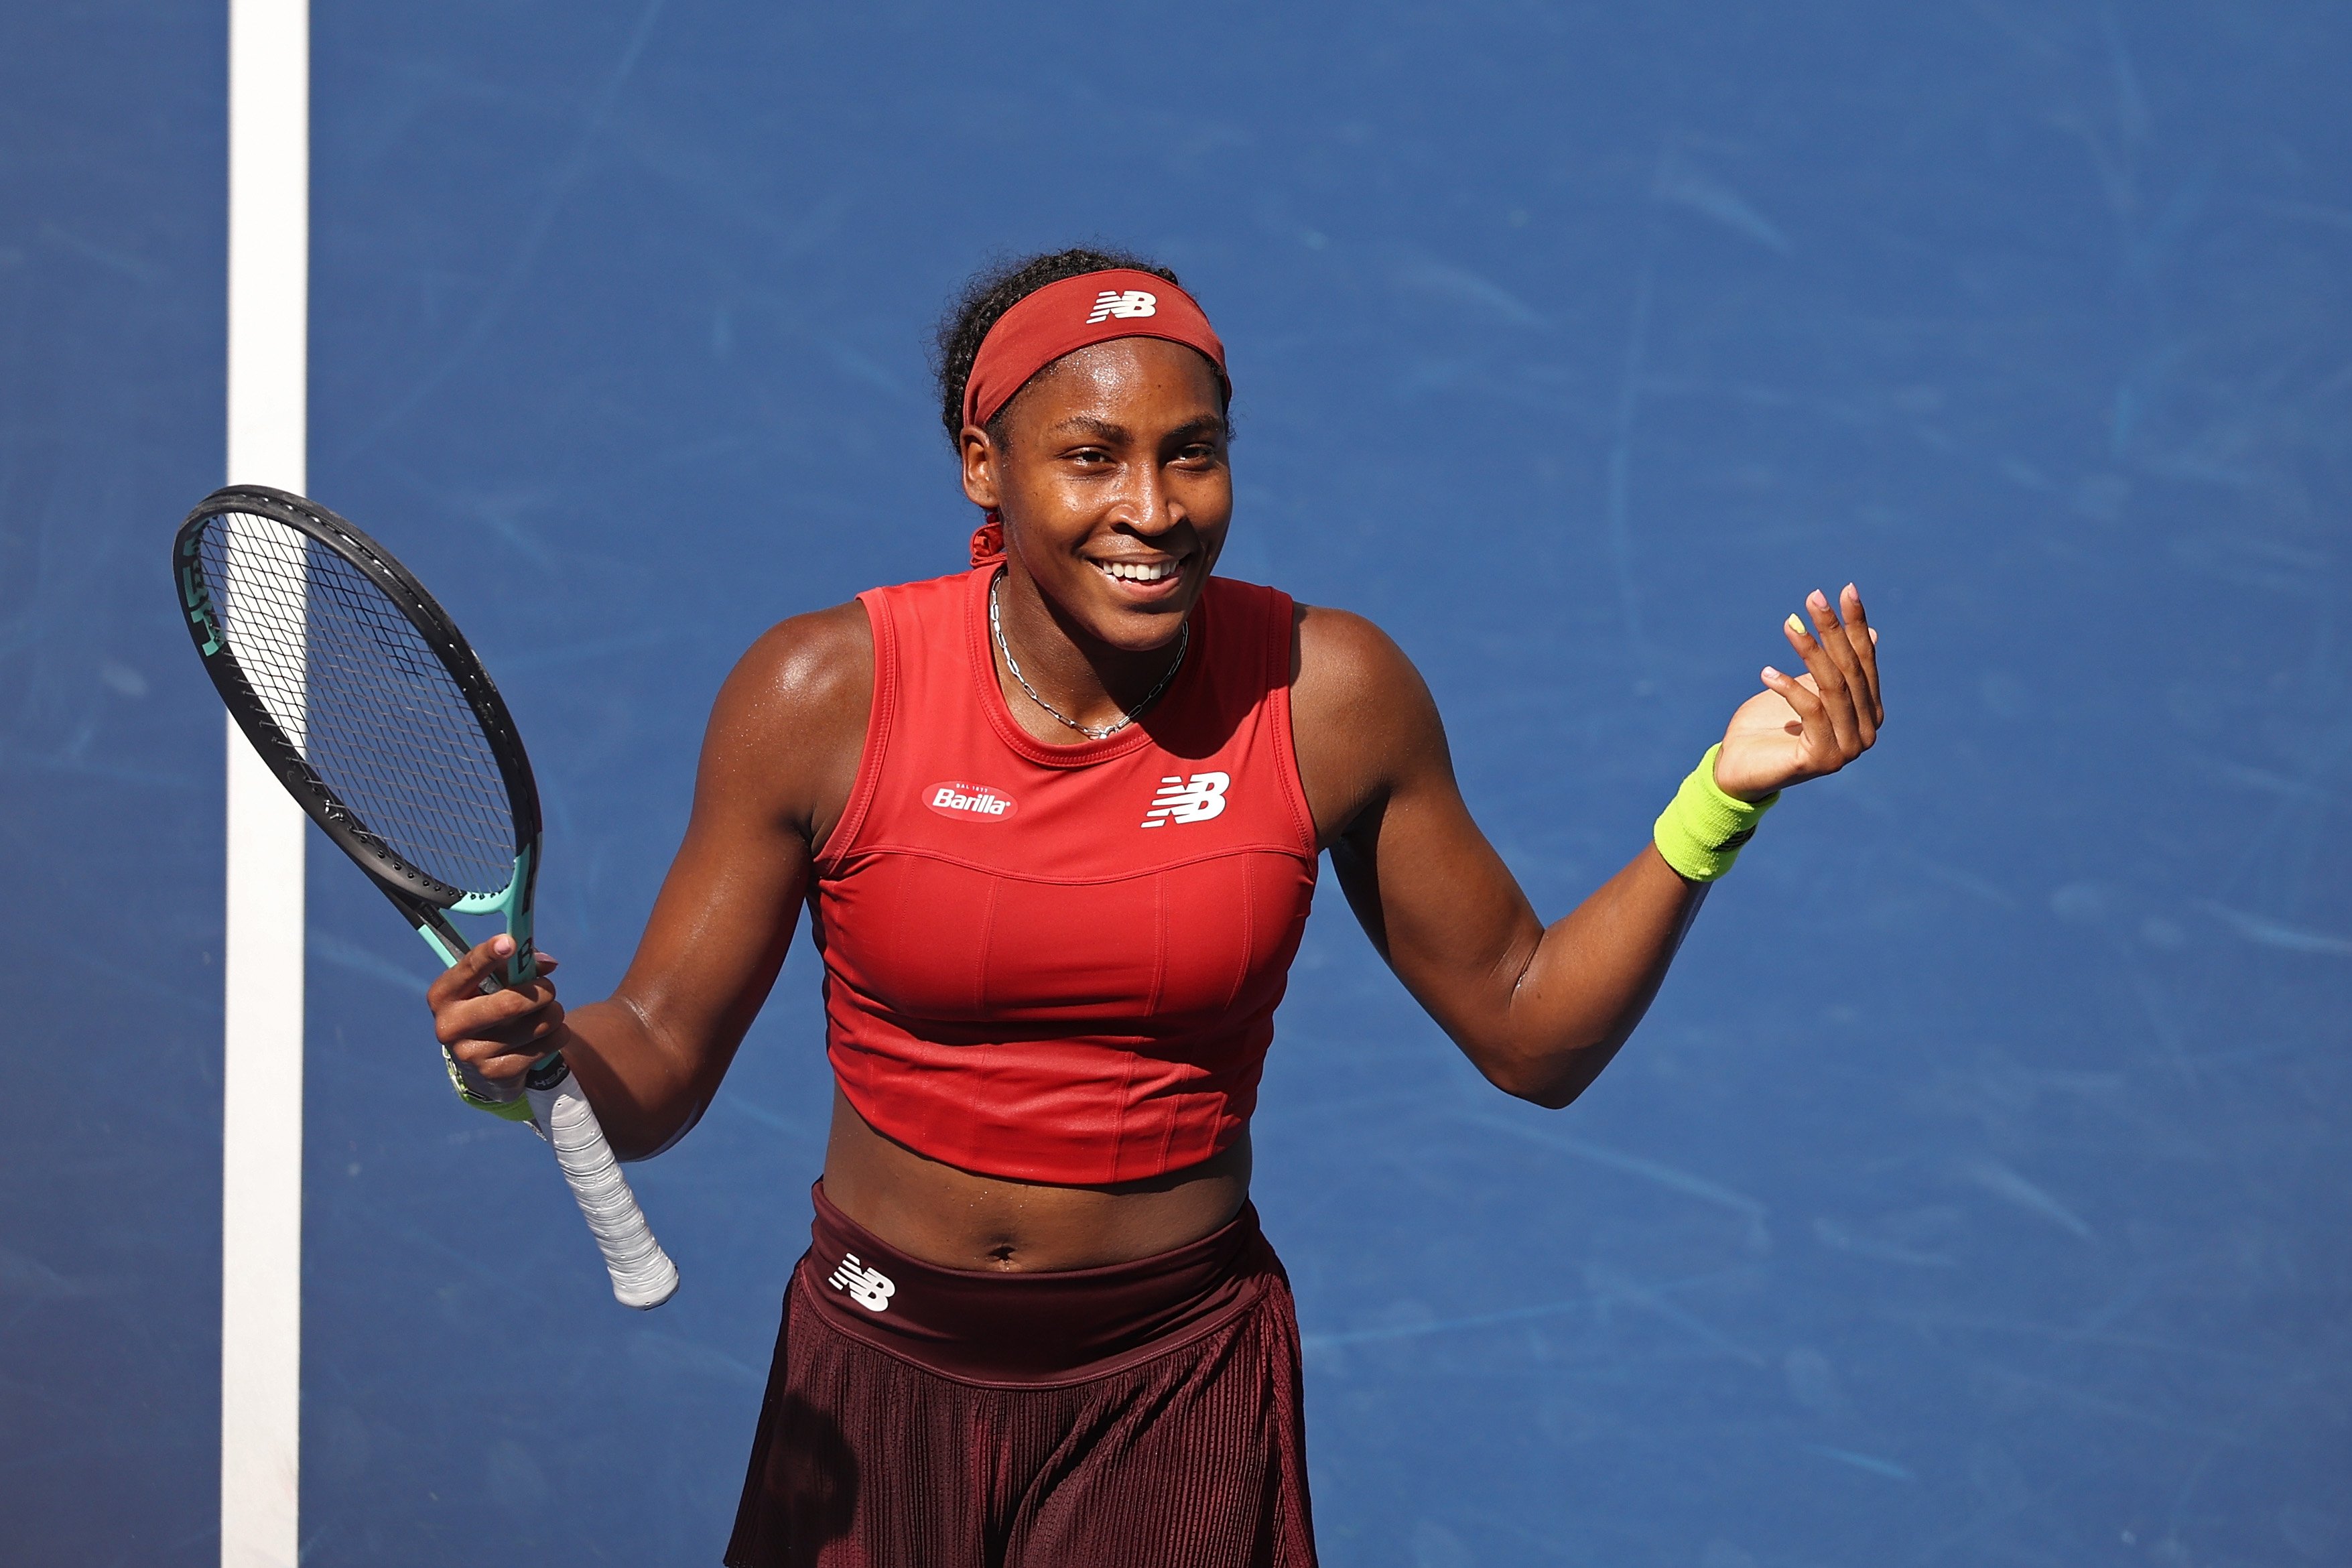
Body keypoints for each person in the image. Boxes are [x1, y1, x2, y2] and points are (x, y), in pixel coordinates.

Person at [429, 247, 1884, 1567]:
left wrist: (1725, 796)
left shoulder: (1328, 695)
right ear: (981, 468)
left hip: (1173, 1387)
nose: (1153, 509)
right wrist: (533, 1061)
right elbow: (662, 1063)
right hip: (877, 1376)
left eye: (1193, 455)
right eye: (1092, 458)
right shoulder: (820, 697)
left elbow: (1530, 1032)